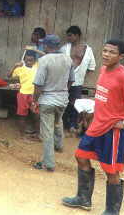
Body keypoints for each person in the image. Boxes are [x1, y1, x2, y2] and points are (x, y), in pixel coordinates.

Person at [62, 39, 124, 215]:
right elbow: (103, 98)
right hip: (96, 126)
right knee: (80, 156)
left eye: (112, 52)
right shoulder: (103, 70)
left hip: (113, 130)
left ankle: (111, 211)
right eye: (105, 51)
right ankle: (83, 199)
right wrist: (91, 115)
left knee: (111, 170)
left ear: (121, 56)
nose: (106, 54)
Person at [31, 34, 74, 172]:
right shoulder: (68, 59)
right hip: (62, 99)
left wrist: (34, 100)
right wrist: (62, 91)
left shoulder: (44, 60)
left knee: (47, 132)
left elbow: (38, 84)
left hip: (47, 100)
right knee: (58, 121)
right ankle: (59, 145)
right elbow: (71, 80)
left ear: (47, 46)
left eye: (44, 44)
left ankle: (48, 163)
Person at [61, 26, 96, 134]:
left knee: (75, 104)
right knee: (63, 103)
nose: (68, 38)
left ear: (77, 36)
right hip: (64, 81)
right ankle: (64, 124)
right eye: (68, 35)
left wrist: (82, 77)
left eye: (70, 35)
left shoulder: (87, 50)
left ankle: (73, 124)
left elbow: (91, 67)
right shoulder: (64, 48)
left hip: (78, 82)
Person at [8, 50, 39, 141]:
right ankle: (22, 136)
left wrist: (35, 50)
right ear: (24, 60)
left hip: (34, 95)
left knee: (36, 115)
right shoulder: (20, 68)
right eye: (27, 60)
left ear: (35, 61)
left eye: (31, 60)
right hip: (23, 95)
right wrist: (15, 66)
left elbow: (47, 56)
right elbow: (8, 76)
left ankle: (37, 134)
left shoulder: (38, 66)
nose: (29, 62)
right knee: (22, 115)